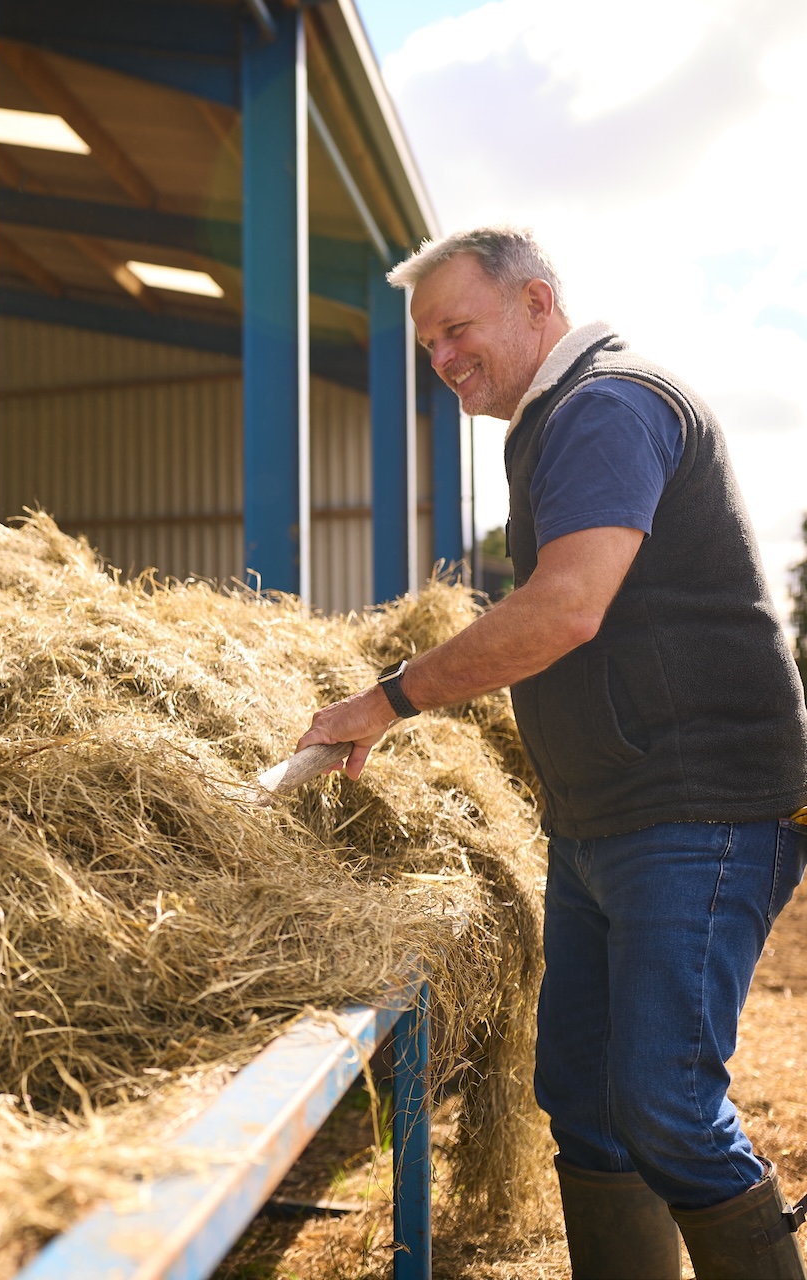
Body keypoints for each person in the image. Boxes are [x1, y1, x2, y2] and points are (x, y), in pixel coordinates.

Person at [298, 225, 807, 1278]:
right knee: (584, 1097)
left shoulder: (608, 405)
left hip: (697, 808)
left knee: (664, 1100)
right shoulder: (551, 425)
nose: (441, 357)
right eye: (427, 340)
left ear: (538, 304)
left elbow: (565, 608)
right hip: (603, 818)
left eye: (458, 326)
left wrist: (389, 699)